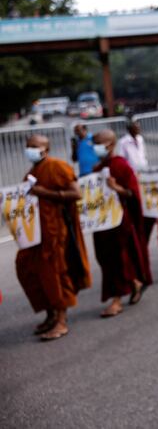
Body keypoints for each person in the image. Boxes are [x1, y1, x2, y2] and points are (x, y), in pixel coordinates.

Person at [16, 135, 91, 341]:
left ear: (46, 149)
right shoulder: (31, 174)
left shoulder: (57, 166)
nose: (30, 149)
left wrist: (45, 193)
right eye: (28, 146)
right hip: (37, 235)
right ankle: (50, 314)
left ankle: (61, 320)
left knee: (57, 274)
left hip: (57, 233)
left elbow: (76, 194)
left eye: (35, 146)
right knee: (29, 269)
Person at [91, 130, 152, 317]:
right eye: (94, 144)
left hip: (120, 221)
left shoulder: (121, 165)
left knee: (120, 258)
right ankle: (135, 283)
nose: (96, 148)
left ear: (110, 144)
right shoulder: (97, 169)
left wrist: (116, 187)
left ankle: (116, 300)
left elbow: (132, 193)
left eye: (99, 143)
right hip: (102, 222)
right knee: (106, 258)